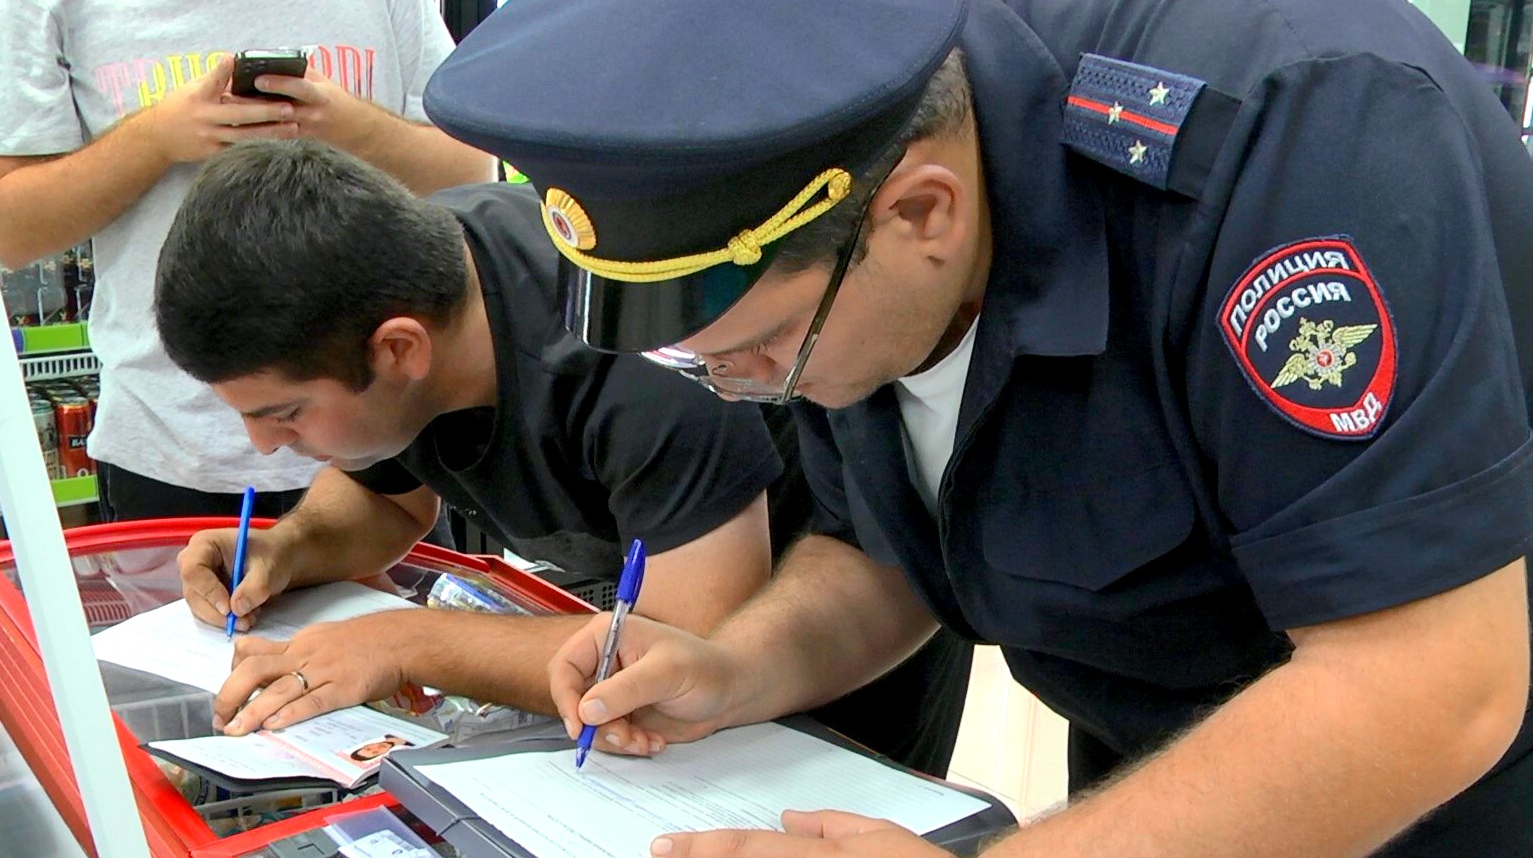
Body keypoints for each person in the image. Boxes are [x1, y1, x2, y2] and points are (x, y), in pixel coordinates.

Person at [421, 0, 1533, 858]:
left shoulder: (1288, 131)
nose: (747, 387)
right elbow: (887, 538)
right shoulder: (848, 181)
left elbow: (1422, 686)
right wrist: (737, 664)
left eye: (757, 354)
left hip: (1450, 763)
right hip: (1152, 699)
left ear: (923, 213)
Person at [153, 140, 968, 774]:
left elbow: (682, 650)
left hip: (832, 638)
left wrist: (403, 642)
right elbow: (391, 499)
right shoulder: (402, 278)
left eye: (284, 413)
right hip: (638, 644)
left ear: (399, 350)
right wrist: (289, 547)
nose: (263, 445)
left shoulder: (630, 355)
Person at [0, 0, 496, 521]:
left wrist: (352, 128)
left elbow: (474, 173)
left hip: (387, 432)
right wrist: (156, 139)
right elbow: (12, 232)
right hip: (171, 445)